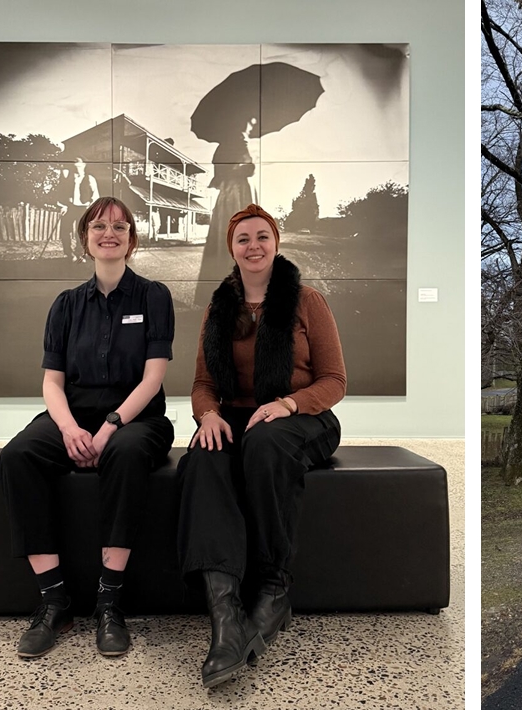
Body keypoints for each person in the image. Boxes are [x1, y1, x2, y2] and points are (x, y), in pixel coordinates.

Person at [0, 196, 175, 659]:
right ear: (84, 239)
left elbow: (153, 378)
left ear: (132, 239)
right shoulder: (66, 304)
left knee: (125, 453)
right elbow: (52, 383)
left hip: (137, 418)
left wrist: (111, 425)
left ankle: (109, 602)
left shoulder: (154, 296)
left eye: (119, 226)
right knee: (17, 457)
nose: (108, 233)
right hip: (74, 414)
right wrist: (71, 429)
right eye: (98, 226)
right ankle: (54, 600)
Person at [177, 203, 345, 688]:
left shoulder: (307, 300)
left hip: (304, 416)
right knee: (203, 457)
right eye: (243, 239)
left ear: (276, 243)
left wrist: (288, 404)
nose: (253, 246)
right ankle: (225, 613)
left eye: (262, 236)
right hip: (236, 415)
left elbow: (334, 380)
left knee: (265, 444)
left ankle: (273, 589)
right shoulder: (219, 308)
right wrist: (208, 415)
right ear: (232, 249)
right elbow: (204, 384)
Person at [193, 119, 257, 306]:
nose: (246, 126)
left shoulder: (224, 146)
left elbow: (219, 172)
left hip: (230, 193)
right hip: (236, 193)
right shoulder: (236, 143)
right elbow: (245, 169)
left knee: (227, 237)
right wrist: (245, 168)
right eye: (243, 123)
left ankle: (226, 292)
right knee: (237, 235)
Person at [59, 157, 100, 263]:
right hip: (69, 207)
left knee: (81, 232)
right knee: (65, 230)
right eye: (75, 166)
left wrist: (90, 207)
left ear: (84, 165)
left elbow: (95, 195)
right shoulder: (67, 178)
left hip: (83, 207)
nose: (77, 168)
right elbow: (61, 193)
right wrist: (63, 205)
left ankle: (80, 254)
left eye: (79, 166)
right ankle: (69, 253)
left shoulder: (90, 179)